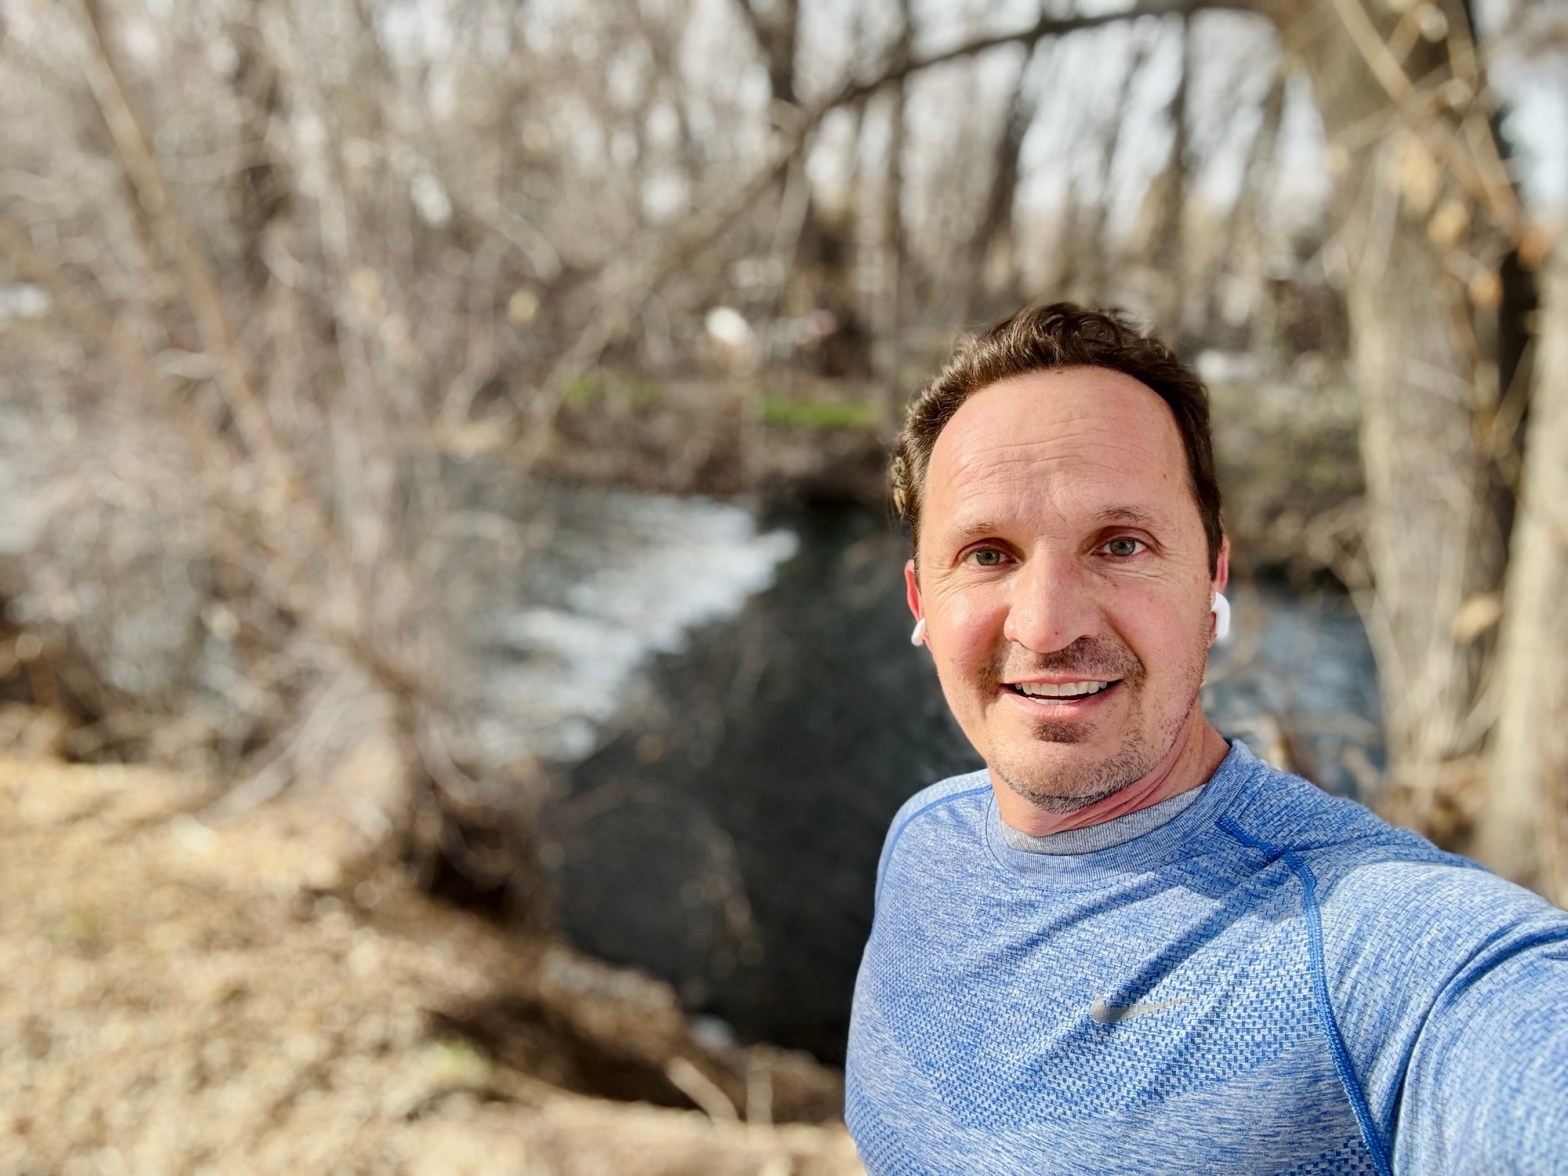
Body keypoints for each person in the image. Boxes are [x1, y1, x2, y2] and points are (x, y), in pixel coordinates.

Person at [846, 303, 1568, 1174]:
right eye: (990, 555)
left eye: (1120, 543)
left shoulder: (1363, 950)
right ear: (924, 601)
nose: (1045, 626)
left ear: (1212, 572)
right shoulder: (924, 840)